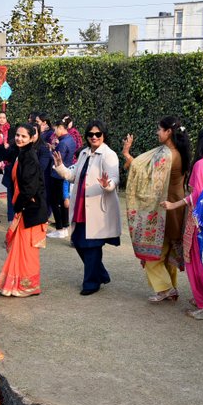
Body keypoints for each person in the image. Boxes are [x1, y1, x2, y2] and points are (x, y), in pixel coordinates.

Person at [123, 116, 190, 303]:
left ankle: (165, 288)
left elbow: (146, 176)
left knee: (154, 252)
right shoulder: (179, 152)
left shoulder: (166, 155)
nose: (157, 132)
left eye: (159, 129)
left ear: (169, 132)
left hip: (165, 208)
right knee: (166, 250)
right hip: (176, 206)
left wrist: (127, 154)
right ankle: (171, 288)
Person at [160, 127, 203, 319]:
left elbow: (197, 194)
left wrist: (174, 205)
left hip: (199, 221)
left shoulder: (200, 164)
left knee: (196, 262)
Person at [53, 120, 121, 295]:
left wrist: (107, 184)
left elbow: (114, 179)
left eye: (97, 134)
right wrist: (60, 166)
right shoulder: (83, 153)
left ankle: (91, 283)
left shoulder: (109, 154)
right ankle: (101, 274)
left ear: (104, 135)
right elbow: (72, 175)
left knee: (92, 246)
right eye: (91, 134)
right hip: (81, 206)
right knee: (78, 241)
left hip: (98, 209)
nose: (94, 137)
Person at [0, 123, 48, 297]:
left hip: (30, 209)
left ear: (32, 138)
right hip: (24, 208)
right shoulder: (20, 152)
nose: (19, 138)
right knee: (19, 247)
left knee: (26, 250)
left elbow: (30, 188)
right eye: (17, 135)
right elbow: (3, 153)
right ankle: (16, 284)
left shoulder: (30, 156)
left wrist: (19, 208)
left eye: (23, 136)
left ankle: (26, 286)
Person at [47, 117, 77, 237]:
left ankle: (60, 228)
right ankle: (64, 227)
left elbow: (58, 160)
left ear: (61, 128)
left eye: (56, 129)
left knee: (56, 202)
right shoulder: (70, 139)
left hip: (58, 175)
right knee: (63, 202)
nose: (54, 132)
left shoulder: (63, 143)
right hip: (66, 173)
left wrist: (49, 151)